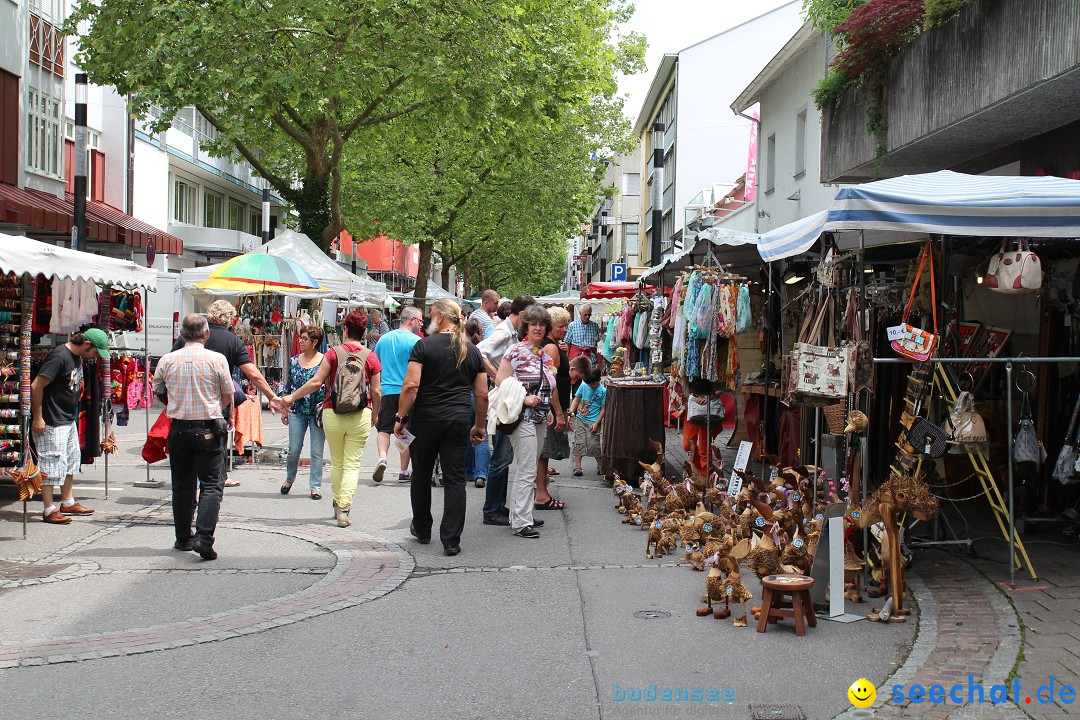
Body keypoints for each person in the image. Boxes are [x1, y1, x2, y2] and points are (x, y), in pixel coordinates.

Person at [393, 299, 487, 556]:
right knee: (455, 479)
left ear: (443, 317)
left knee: (421, 474)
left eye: (432, 315)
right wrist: (480, 425)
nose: (429, 319)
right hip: (457, 421)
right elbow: (482, 395)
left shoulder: (423, 346)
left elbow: (411, 386)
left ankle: (423, 529)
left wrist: (401, 418)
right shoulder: (471, 350)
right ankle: (451, 539)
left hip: (425, 420)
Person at [281, 310, 382, 528]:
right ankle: (343, 507)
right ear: (364, 332)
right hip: (360, 413)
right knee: (352, 464)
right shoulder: (371, 356)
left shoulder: (332, 354)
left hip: (332, 412)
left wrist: (291, 396)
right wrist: (375, 413)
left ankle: (338, 501)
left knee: (337, 461)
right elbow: (376, 391)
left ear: (345, 329)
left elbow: (317, 381)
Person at [172, 300, 287, 487]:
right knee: (217, 443)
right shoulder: (233, 341)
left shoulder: (190, 338)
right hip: (218, 403)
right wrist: (272, 396)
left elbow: (170, 362)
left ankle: (198, 484)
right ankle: (216, 479)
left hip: (186, 402)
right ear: (230, 319)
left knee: (188, 449)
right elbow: (253, 374)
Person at [153, 314, 235, 560]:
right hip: (208, 427)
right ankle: (203, 537)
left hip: (178, 428)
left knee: (182, 485)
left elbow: (158, 389)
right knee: (211, 484)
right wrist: (224, 413)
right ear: (206, 334)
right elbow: (228, 392)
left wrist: (171, 404)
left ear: (182, 334)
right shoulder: (216, 359)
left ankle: (183, 538)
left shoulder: (167, 360)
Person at [496, 304, 565, 539]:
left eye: (541, 324)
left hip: (540, 419)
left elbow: (550, 386)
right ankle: (520, 521)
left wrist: (554, 412)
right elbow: (500, 381)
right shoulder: (515, 351)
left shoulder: (544, 355)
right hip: (522, 418)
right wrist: (524, 399)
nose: (537, 328)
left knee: (531, 468)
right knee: (526, 470)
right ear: (526, 326)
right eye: (533, 324)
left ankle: (523, 513)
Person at [30, 328, 109, 524]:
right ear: (86, 344)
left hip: (66, 418)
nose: (95, 358)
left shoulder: (77, 357)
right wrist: (38, 417)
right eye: (95, 353)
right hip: (52, 419)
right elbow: (36, 385)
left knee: (71, 461)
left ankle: (67, 501)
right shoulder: (60, 357)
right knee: (51, 463)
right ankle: (49, 509)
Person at [476, 295, 535, 526]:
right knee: (501, 456)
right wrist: (498, 376)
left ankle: (498, 506)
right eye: (529, 319)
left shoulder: (511, 333)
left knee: (505, 455)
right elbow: (479, 352)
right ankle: (491, 510)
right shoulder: (503, 332)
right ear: (521, 315)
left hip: (509, 398)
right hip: (504, 400)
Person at [372, 306, 423, 484]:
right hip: (407, 392)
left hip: (386, 390)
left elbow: (375, 366)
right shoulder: (416, 341)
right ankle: (403, 471)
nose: (421, 324)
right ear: (411, 320)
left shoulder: (384, 340)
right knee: (405, 431)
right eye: (420, 320)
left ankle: (382, 459)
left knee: (384, 429)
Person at [281, 324, 326, 499]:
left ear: (314, 342)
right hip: (297, 410)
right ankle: (289, 478)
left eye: (304, 338)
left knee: (316, 450)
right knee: (293, 449)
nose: (300, 341)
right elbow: (288, 386)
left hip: (317, 411)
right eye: (300, 337)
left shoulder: (325, 360)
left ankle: (315, 486)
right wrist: (285, 410)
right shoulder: (293, 361)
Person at [535, 306, 571, 509]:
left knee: (544, 452)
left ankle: (541, 490)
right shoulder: (551, 348)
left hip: (553, 406)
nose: (565, 329)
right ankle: (541, 494)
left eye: (566, 325)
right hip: (551, 407)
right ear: (551, 327)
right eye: (561, 326)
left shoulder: (553, 345)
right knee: (544, 452)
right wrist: (558, 413)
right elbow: (551, 383)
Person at [463, 318, 490, 488]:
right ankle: (480, 474)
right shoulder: (480, 351)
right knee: (482, 434)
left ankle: (468, 470)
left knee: (467, 434)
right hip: (478, 396)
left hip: (463, 396)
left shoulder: (461, 350)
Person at [569, 357, 606, 477]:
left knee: (593, 444)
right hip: (580, 419)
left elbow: (603, 409)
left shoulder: (603, 391)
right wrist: (571, 412)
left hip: (593, 421)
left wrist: (597, 423)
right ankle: (577, 466)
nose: (591, 386)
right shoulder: (584, 385)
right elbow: (576, 399)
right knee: (578, 442)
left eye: (593, 383)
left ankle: (600, 465)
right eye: (589, 383)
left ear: (599, 380)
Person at [683, 378, 726, 476]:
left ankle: (705, 474)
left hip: (708, 408)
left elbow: (724, 385)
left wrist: (709, 396)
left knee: (704, 447)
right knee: (687, 444)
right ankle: (696, 469)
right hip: (692, 407)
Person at [565, 305, 603, 370]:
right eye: (585, 315)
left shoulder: (595, 326)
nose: (587, 317)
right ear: (580, 313)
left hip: (591, 359)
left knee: (591, 378)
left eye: (589, 315)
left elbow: (596, 343)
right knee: (577, 379)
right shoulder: (572, 325)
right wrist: (566, 359)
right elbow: (567, 343)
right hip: (576, 359)